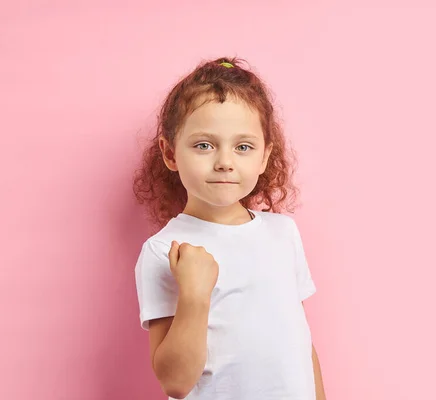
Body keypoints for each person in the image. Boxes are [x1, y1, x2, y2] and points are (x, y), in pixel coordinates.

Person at [132, 57, 326, 400]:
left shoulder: (284, 233)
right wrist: (194, 295)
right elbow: (175, 383)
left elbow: (301, 345)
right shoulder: (164, 251)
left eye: (243, 147)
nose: (224, 161)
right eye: (204, 145)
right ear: (170, 153)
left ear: (265, 156)